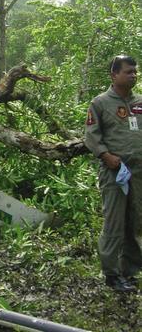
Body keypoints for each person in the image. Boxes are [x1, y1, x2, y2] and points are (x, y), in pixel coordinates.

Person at [85, 55, 142, 292]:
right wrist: (105, 155)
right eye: (128, 71)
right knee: (115, 223)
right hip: (114, 172)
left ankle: (129, 271)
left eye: (135, 71)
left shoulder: (140, 102)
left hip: (139, 172)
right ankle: (111, 274)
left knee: (136, 222)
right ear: (114, 75)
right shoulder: (100, 103)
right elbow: (91, 135)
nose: (134, 75)